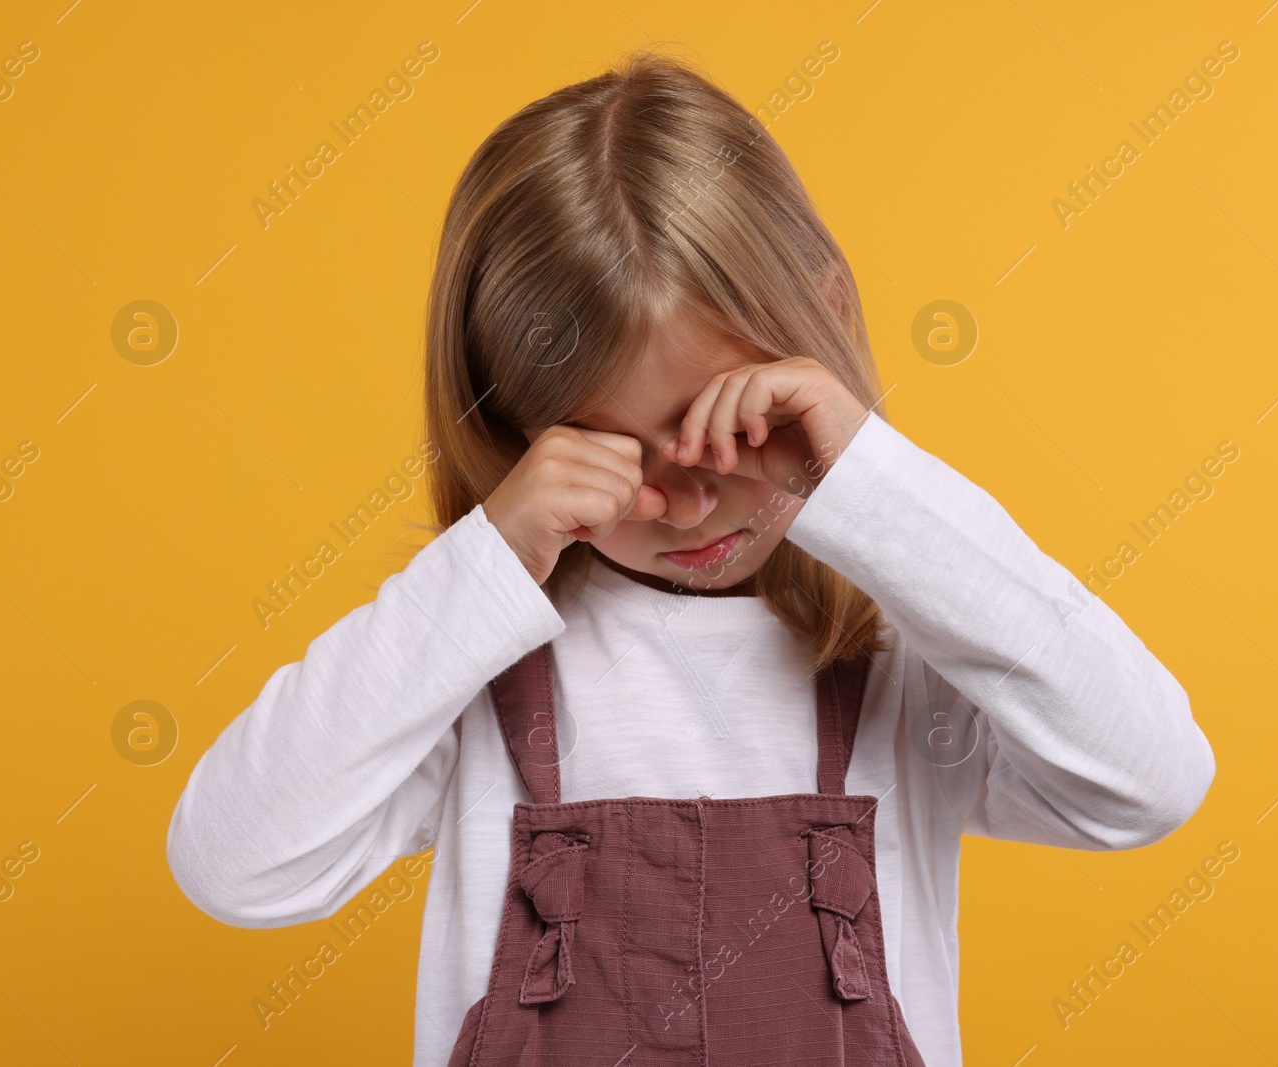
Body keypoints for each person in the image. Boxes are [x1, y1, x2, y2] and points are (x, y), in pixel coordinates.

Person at [166, 49, 1216, 1067]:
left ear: (825, 320)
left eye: (728, 424)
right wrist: (484, 566)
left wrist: (868, 485)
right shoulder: (473, 670)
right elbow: (232, 863)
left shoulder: (908, 661)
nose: (690, 498)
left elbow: (1150, 779)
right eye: (612, 452)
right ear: (520, 431)